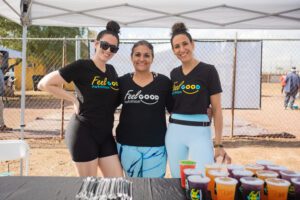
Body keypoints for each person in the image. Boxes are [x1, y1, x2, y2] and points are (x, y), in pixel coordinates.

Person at [38, 21, 123, 177]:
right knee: (89, 187)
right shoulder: (82, 66)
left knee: (117, 183)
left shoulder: (111, 70)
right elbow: (44, 83)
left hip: (105, 135)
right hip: (84, 133)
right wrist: (73, 98)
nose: (108, 50)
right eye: (105, 45)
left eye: (114, 48)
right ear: (96, 44)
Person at [165, 22, 231, 177]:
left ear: (192, 44)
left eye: (185, 44)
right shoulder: (174, 73)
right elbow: (174, 104)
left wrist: (219, 144)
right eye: (176, 46)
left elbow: (217, 109)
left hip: (200, 133)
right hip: (175, 132)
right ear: (173, 50)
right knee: (178, 179)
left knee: (201, 180)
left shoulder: (209, 71)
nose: (182, 49)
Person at [116, 40, 173, 177]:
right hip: (127, 144)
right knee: (132, 186)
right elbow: (105, 106)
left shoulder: (164, 82)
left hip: (156, 145)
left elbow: (175, 110)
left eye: (147, 55)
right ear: (131, 57)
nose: (142, 59)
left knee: (154, 187)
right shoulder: (122, 82)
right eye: (138, 55)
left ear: (152, 58)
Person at [0, 52, 13, 132]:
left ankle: (2, 125)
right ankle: (2, 125)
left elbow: (1, 81)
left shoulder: (0, 70)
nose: (1, 61)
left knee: (1, 107)